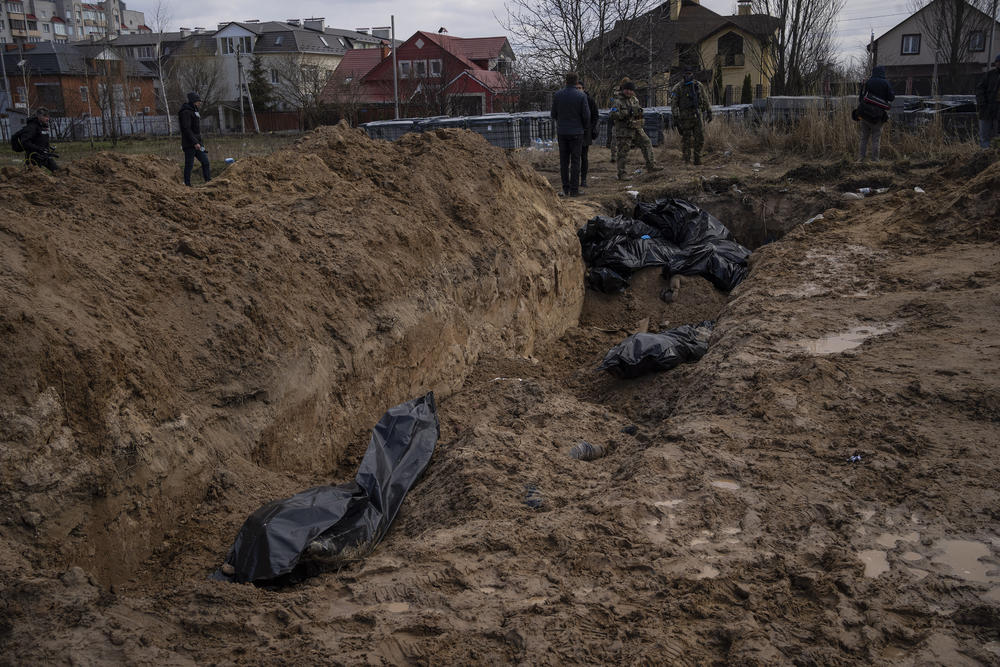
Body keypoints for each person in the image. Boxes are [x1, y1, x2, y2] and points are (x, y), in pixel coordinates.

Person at [550, 71, 591, 196]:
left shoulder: (558, 95)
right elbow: (586, 115)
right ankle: (574, 190)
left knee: (564, 161)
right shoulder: (581, 96)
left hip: (562, 132)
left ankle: (565, 188)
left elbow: (553, 114)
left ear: (565, 81)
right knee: (575, 161)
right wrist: (583, 127)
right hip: (577, 132)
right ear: (576, 81)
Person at [610, 79, 660, 180]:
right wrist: (626, 114)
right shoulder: (617, 101)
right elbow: (612, 115)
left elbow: (638, 111)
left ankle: (651, 165)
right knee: (623, 152)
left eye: (631, 90)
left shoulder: (634, 100)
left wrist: (639, 113)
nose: (629, 92)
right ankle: (622, 173)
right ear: (623, 90)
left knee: (646, 142)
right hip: (624, 130)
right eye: (627, 90)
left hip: (636, 127)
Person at [669, 68, 712, 165]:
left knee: (700, 138)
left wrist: (709, 111)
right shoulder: (678, 87)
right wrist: (676, 117)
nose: (688, 75)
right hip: (685, 118)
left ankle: (697, 158)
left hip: (697, 115)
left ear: (693, 74)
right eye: (686, 73)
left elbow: (705, 99)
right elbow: (674, 104)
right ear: (683, 75)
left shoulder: (698, 85)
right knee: (686, 140)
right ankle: (687, 160)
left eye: (690, 73)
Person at [856, 65, 895, 161]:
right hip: (878, 116)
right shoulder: (886, 83)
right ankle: (875, 159)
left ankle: (861, 158)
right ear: (883, 73)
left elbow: (861, 98)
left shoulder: (868, 82)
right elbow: (891, 98)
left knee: (864, 138)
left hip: (865, 114)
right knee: (876, 138)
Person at [178, 91, 211, 186]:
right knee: (189, 165)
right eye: (198, 101)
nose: (200, 103)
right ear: (193, 101)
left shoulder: (195, 110)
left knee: (205, 162)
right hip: (189, 144)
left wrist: (199, 142)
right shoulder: (186, 112)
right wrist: (194, 142)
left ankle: (208, 181)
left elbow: (196, 129)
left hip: (197, 143)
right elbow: (186, 129)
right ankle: (187, 184)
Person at [19, 107, 59, 172]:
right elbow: (25, 142)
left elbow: (42, 140)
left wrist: (48, 148)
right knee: (35, 177)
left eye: (48, 116)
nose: (48, 119)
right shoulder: (31, 127)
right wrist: (38, 149)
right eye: (45, 116)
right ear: (39, 116)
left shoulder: (44, 127)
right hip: (34, 157)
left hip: (44, 156)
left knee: (58, 171)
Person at [576, 79, 599, 188]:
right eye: (576, 88)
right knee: (575, 157)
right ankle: (575, 179)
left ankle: (583, 179)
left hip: (586, 132)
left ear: (584, 89)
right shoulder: (573, 100)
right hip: (575, 131)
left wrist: (591, 127)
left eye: (580, 88)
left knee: (584, 157)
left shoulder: (589, 100)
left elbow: (595, 115)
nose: (578, 90)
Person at [974, 54, 1000, 149]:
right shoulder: (989, 75)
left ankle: (995, 155)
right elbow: (979, 89)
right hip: (987, 109)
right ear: (996, 63)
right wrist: (982, 103)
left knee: (997, 135)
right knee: (984, 135)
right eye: (998, 62)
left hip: (997, 109)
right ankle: (985, 154)